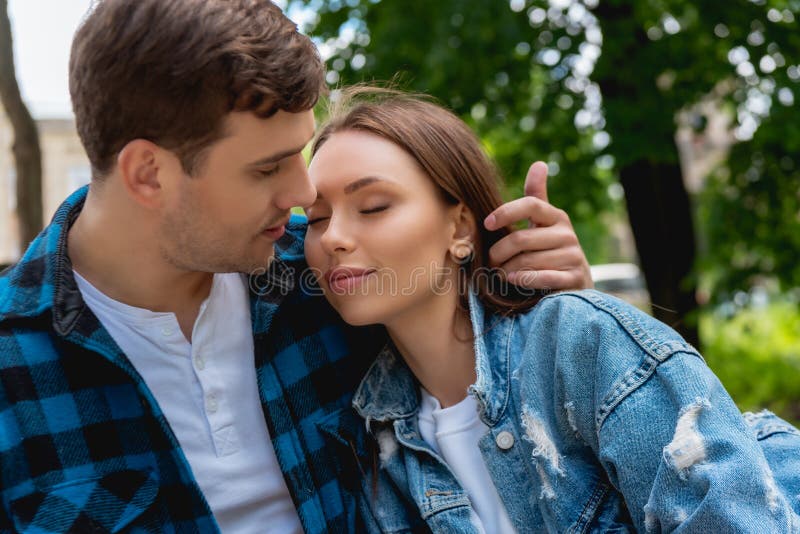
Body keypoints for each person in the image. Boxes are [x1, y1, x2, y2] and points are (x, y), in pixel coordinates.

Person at [0, 1, 593, 532]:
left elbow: (492, 384)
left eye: (301, 154)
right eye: (267, 168)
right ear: (149, 174)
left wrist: (550, 296)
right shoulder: (13, 370)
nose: (304, 192)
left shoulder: (332, 284)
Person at [302, 88, 800, 533]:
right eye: (317, 218)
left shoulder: (579, 343)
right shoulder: (372, 446)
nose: (334, 238)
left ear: (459, 228)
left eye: (372, 206)